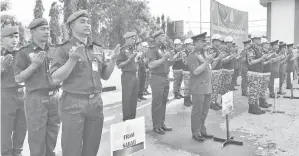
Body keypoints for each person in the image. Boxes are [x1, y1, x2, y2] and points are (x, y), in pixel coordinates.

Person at [50, 10, 119, 156]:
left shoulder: (97, 48)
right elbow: (55, 78)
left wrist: (113, 60)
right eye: (82, 21)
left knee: (91, 148)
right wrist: (72, 59)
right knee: (72, 150)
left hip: (96, 104)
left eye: (88, 21)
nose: (87, 24)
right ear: (71, 26)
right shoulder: (63, 49)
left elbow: (105, 76)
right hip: (73, 104)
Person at [14, 18, 60, 156]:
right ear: (33, 32)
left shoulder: (55, 50)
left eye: (47, 29)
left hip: (55, 97)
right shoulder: (23, 52)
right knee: (37, 139)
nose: (46, 31)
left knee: (52, 137)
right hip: (36, 99)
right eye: (42, 29)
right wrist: (33, 65)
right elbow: (18, 78)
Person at [1, 26, 27, 156]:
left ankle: (18, 153)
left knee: (21, 127)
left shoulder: (22, 54)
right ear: (2, 39)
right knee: (6, 129)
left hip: (22, 94)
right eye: (11, 37)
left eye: (16, 37)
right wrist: (2, 67)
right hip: (6, 95)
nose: (14, 40)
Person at [187, 32, 214, 142]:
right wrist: (206, 62)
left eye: (205, 41)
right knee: (197, 110)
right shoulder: (192, 56)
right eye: (203, 41)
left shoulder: (203, 54)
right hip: (198, 87)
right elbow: (195, 71)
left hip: (207, 87)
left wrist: (210, 60)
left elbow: (209, 68)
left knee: (205, 110)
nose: (205, 43)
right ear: (196, 42)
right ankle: (196, 131)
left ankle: (202, 129)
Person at [147, 30, 172, 134]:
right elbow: (151, 65)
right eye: (162, 36)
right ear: (156, 38)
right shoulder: (152, 49)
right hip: (157, 78)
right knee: (157, 102)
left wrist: (173, 58)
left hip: (166, 77)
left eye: (164, 36)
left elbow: (167, 63)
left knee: (163, 102)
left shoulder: (164, 48)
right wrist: (164, 59)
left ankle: (162, 123)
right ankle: (156, 126)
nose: (164, 37)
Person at [116, 32, 140, 121]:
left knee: (134, 99)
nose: (134, 40)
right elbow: (119, 65)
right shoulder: (122, 50)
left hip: (136, 75)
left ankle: (133, 118)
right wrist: (129, 60)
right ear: (127, 39)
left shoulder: (134, 50)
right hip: (127, 76)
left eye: (134, 38)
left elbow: (136, 62)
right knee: (127, 98)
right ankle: (126, 118)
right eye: (132, 38)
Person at [246, 33, 268, 114]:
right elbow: (250, 62)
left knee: (257, 91)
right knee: (253, 91)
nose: (260, 40)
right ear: (254, 39)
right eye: (258, 38)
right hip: (253, 73)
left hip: (258, 72)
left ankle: (256, 107)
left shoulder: (258, 48)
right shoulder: (251, 48)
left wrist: (263, 58)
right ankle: (252, 108)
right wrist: (261, 58)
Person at [209, 34, 224, 110]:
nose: (219, 42)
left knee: (217, 88)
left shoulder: (217, 49)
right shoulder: (212, 50)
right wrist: (219, 58)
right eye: (218, 41)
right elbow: (212, 64)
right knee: (214, 88)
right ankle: (212, 103)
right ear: (214, 41)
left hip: (219, 71)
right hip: (214, 71)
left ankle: (215, 101)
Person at [180, 38, 194, 107]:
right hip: (186, 72)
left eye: (192, 44)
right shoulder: (184, 52)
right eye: (191, 44)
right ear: (187, 45)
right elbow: (185, 62)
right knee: (187, 86)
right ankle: (186, 100)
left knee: (191, 86)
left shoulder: (192, 52)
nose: (192, 46)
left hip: (191, 71)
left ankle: (189, 98)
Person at [259, 38, 273, 108]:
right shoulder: (261, 52)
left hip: (267, 72)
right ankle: (261, 102)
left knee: (264, 88)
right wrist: (268, 61)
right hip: (263, 72)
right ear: (263, 44)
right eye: (267, 43)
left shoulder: (266, 52)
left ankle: (263, 101)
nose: (268, 45)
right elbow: (262, 63)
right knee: (262, 87)